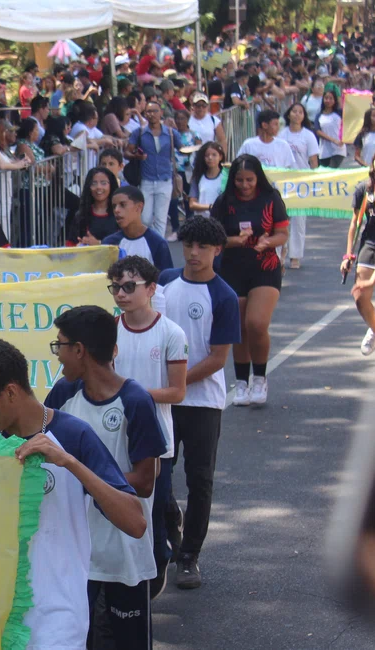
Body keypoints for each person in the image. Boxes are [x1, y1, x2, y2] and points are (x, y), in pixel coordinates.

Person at [0, 338, 144, 648]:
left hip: (57, 619)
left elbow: (135, 522)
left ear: (11, 392)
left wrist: (70, 463)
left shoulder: (73, 435)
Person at [46, 306, 165, 647]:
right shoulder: (62, 396)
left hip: (123, 554)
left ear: (80, 350)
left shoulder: (135, 401)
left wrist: (79, 474)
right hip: (76, 552)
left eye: (61, 346)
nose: (58, 355)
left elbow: (144, 481)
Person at [158, 217, 241, 589]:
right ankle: (168, 525)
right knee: (156, 473)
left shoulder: (222, 296)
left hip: (202, 403)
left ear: (217, 251)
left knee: (200, 480)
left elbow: (216, 359)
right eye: (188, 245)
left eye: (202, 248)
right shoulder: (163, 282)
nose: (193, 253)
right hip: (162, 402)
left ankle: (189, 556)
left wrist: (176, 382)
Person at [108, 255, 188, 597]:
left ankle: (159, 562)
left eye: (129, 286)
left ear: (151, 289)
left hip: (157, 442)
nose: (121, 294)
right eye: (115, 288)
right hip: (115, 437)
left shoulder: (170, 332)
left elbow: (178, 391)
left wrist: (133, 395)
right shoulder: (110, 330)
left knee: (151, 518)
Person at [213, 155, 289, 407]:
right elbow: (213, 237)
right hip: (232, 269)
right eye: (239, 180)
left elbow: (282, 233)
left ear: (258, 178)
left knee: (256, 323)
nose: (244, 185)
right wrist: (234, 240)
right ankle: (242, 383)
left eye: (249, 180)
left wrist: (267, 242)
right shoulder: (224, 202)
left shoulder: (271, 199)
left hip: (264, 267)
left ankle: (260, 378)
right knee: (240, 329)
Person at [125, 102, 186, 236]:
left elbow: (181, 148)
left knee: (161, 219)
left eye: (154, 111)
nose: (151, 114)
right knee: (145, 218)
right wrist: (136, 156)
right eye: (148, 111)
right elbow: (127, 153)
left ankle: (158, 248)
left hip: (165, 180)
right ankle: (151, 240)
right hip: (146, 180)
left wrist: (190, 150)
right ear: (145, 114)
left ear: (161, 113)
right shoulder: (139, 133)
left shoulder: (170, 133)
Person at [348, 151, 375, 363]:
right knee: (361, 298)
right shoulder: (365, 187)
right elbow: (355, 222)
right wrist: (348, 253)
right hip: (370, 245)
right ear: (373, 162)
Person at [103, 186, 175, 271]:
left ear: (139, 207)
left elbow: (166, 280)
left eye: (122, 205)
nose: (116, 210)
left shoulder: (157, 243)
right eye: (114, 206)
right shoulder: (109, 243)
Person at [70, 167, 120, 246]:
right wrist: (77, 247)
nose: (98, 187)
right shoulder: (81, 215)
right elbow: (70, 245)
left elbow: (126, 243)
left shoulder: (119, 213)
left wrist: (99, 244)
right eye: (94, 183)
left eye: (103, 183)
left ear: (111, 185)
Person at [188, 141, 227, 219]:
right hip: (202, 220)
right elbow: (192, 204)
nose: (210, 158)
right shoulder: (198, 177)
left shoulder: (226, 176)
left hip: (222, 220)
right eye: (207, 155)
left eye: (214, 155)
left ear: (220, 157)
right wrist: (210, 207)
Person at [314, 89, 348, 168]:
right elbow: (318, 131)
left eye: (331, 98)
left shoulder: (340, 113)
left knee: (331, 170)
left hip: (339, 150)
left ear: (334, 100)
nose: (328, 100)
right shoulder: (319, 116)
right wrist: (333, 140)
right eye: (326, 98)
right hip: (324, 151)